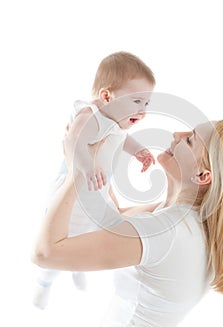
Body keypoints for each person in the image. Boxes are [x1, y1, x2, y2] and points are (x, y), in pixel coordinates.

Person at [32, 119, 223, 326]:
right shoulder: (187, 223)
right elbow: (113, 217)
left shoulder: (167, 232)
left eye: (189, 141)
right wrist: (93, 160)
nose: (176, 135)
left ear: (202, 175)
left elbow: (45, 253)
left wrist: (77, 171)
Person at [33, 51, 156, 309]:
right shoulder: (90, 116)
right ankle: (44, 283)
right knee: (65, 235)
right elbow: (72, 142)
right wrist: (87, 167)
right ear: (107, 96)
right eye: (136, 101)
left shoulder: (116, 121)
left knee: (89, 234)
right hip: (73, 194)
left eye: (146, 104)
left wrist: (139, 151)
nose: (142, 111)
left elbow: (122, 138)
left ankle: (77, 267)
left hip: (96, 191)